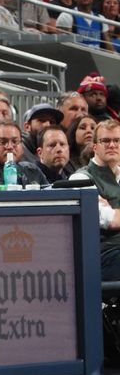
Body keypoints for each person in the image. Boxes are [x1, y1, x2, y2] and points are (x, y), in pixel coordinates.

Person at [69, 119, 120, 280]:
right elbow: (111, 221)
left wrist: (114, 210)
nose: (112, 145)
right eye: (105, 141)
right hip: (105, 254)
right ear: (95, 147)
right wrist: (114, 216)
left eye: (117, 140)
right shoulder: (81, 178)